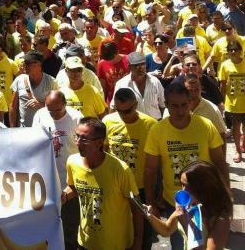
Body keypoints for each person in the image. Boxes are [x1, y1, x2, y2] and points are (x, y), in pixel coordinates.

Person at [144, 83, 228, 249]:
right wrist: (149, 201)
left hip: (206, 199)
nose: (180, 111)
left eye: (184, 105)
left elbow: (219, 162)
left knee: (203, 243)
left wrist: (226, 193)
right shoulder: (157, 130)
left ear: (190, 102)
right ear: (166, 105)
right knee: (180, 244)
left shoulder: (205, 125)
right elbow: (150, 169)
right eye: (174, 106)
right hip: (175, 201)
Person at [62, 117, 143, 250]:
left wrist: (138, 242)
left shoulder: (120, 170)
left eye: (84, 139)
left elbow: (137, 208)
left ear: (99, 142)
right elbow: (73, 187)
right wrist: (61, 197)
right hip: (85, 243)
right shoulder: (72, 162)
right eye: (77, 137)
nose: (78, 143)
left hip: (116, 245)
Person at [103, 87, 157, 250]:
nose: (124, 115)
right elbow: (104, 151)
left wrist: (151, 197)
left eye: (127, 111)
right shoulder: (108, 121)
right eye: (119, 111)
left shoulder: (150, 125)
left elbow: (154, 164)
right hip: (115, 187)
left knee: (143, 233)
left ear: (136, 104)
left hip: (140, 188)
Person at [32, 91, 83, 250]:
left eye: (57, 111)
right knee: (47, 226)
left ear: (65, 105)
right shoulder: (40, 115)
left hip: (69, 183)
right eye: (50, 110)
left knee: (69, 225)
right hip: (47, 182)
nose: (53, 114)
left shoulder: (76, 118)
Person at [145, 162, 232, 250]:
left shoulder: (219, 218)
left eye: (189, 186)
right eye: (182, 184)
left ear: (205, 188)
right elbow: (167, 230)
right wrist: (150, 216)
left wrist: (188, 226)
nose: (183, 190)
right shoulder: (188, 206)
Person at [111, 52, 165, 120]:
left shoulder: (155, 82)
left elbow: (163, 105)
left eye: (143, 64)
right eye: (136, 65)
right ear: (129, 67)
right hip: (133, 126)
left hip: (155, 125)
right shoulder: (122, 85)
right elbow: (113, 108)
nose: (141, 67)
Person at [9, 51, 56, 127]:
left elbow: (56, 108)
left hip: (43, 131)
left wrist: (40, 105)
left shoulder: (52, 82)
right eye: (24, 62)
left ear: (39, 64)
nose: (24, 65)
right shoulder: (19, 80)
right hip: (22, 131)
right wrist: (12, 128)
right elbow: (13, 106)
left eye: (27, 63)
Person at [218, 40, 245, 162]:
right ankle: (238, 151)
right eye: (231, 50)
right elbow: (222, 85)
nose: (233, 52)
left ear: (240, 51)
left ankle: (242, 142)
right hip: (233, 104)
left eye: (236, 49)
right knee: (235, 128)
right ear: (228, 52)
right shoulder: (225, 65)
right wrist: (221, 101)